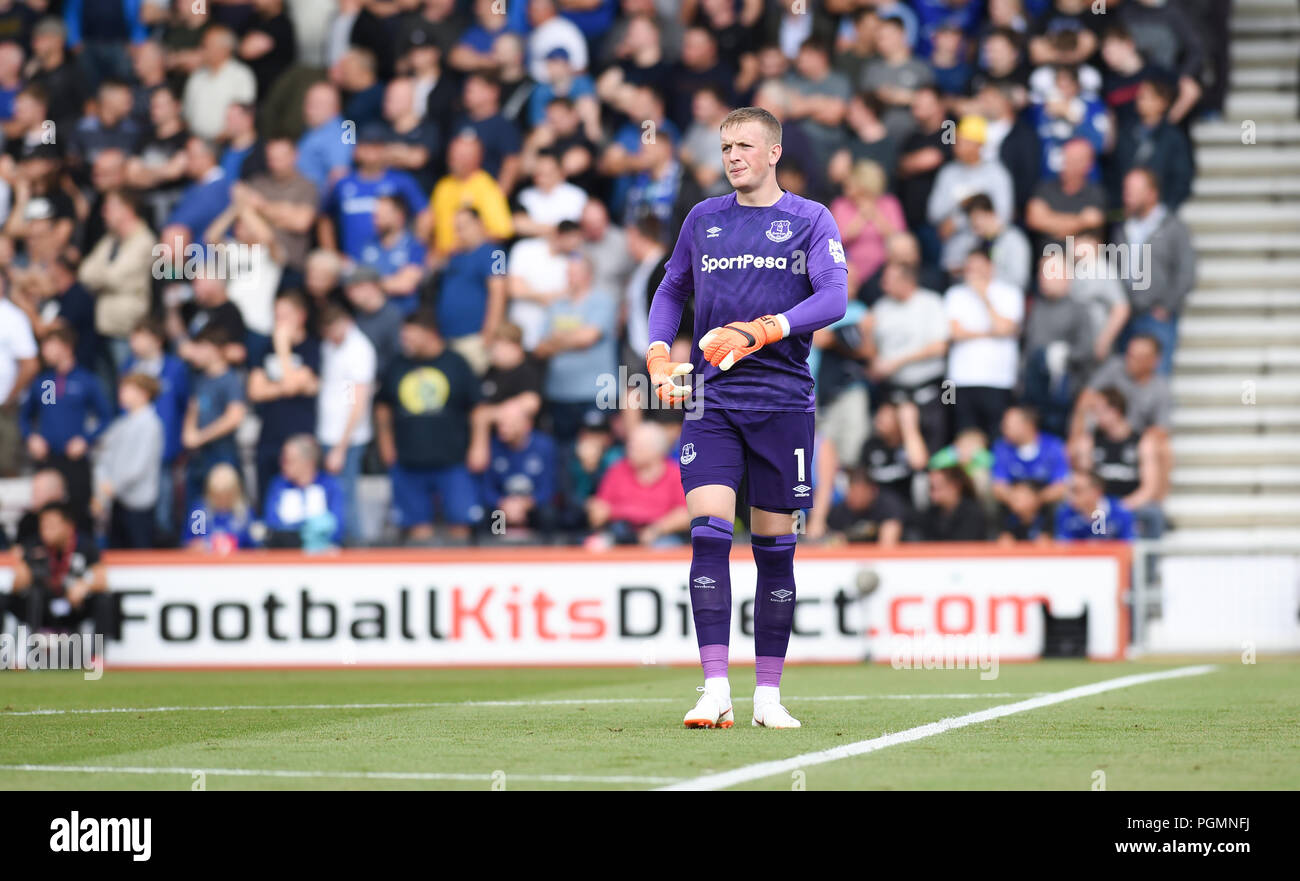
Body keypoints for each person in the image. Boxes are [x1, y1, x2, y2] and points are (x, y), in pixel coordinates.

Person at [645, 106, 848, 730]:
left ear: (774, 153)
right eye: (725, 146)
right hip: (712, 402)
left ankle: (767, 696)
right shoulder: (702, 219)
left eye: (745, 146)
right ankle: (714, 689)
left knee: (774, 551)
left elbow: (835, 297)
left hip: (783, 403)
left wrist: (767, 329)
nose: (732, 156)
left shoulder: (811, 220)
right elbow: (671, 287)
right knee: (707, 534)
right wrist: (658, 353)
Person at [375, 310, 485, 544]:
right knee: (416, 531)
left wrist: (479, 444)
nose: (405, 342)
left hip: (453, 460)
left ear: (430, 334)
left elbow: (477, 407)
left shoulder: (456, 363)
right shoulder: (397, 363)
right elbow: (382, 406)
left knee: (461, 524)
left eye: (411, 336)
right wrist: (386, 444)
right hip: (408, 461)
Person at [20, 326, 114, 524]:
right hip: (48, 458)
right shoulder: (46, 382)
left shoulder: (85, 380)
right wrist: (32, 437)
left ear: (67, 347)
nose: (45, 351)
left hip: (75, 459)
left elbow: (105, 416)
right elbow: (27, 416)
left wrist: (86, 440)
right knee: (46, 512)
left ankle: (82, 553)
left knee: (80, 512)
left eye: (50, 345)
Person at [944, 247, 1024, 442]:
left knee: (998, 435)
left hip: (999, 379)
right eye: (969, 268)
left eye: (978, 267)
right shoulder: (954, 294)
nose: (973, 273)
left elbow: (1006, 329)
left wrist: (984, 298)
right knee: (963, 434)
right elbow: (954, 333)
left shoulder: (1010, 293)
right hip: (958, 380)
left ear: (991, 268)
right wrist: (990, 333)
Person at [5, 502, 116, 640]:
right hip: (42, 605)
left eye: (51, 525)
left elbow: (102, 579)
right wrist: (22, 564)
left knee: (103, 600)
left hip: (73, 605)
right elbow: (17, 585)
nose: (45, 530)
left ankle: (97, 655)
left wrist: (84, 586)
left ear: (69, 526)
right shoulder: (34, 545)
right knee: (19, 597)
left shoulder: (85, 545)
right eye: (43, 525)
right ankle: (26, 650)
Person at [316, 304, 376, 545]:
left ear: (347, 322)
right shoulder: (330, 345)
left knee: (345, 496)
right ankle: (331, 543)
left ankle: (356, 549)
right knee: (331, 495)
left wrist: (341, 447)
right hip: (327, 433)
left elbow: (356, 404)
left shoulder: (359, 350)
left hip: (345, 439)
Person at [586, 421, 688, 548]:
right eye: (630, 445)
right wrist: (596, 510)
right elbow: (599, 510)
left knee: (666, 547)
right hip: (619, 531)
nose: (630, 449)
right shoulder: (617, 470)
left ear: (656, 450)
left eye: (637, 446)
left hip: (661, 535)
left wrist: (655, 530)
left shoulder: (675, 474)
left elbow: (685, 513)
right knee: (596, 545)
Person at [92, 372, 164, 549]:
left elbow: (137, 468)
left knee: (139, 552)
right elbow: (103, 454)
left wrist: (111, 488)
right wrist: (104, 489)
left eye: (128, 389)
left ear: (144, 394)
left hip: (138, 504)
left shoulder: (151, 425)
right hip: (117, 500)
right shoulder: (121, 424)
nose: (122, 393)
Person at [180, 324, 247, 513]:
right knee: (198, 506)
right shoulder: (199, 378)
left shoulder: (230, 379)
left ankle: (227, 541)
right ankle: (198, 539)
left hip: (222, 454)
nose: (196, 353)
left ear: (215, 349)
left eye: (200, 347)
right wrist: (189, 432)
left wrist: (200, 437)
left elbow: (235, 416)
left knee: (223, 504)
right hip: (199, 457)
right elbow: (193, 408)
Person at [262, 434, 345, 549]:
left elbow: (338, 526)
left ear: (308, 463)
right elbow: (271, 522)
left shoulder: (329, 485)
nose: (282, 465)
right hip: (285, 553)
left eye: (288, 461)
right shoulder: (278, 484)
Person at [823, 467, 905, 546]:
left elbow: (888, 546)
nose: (857, 498)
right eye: (853, 493)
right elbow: (830, 541)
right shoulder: (839, 511)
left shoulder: (888, 506)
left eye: (861, 494)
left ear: (873, 491)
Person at [1054, 468, 1135, 541]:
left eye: (1077, 491)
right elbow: (1064, 550)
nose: (1071, 496)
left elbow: (1128, 548)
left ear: (1096, 492)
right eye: (1070, 491)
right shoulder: (1065, 514)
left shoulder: (1120, 513)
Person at [917, 465, 989, 541]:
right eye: (930, 488)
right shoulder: (931, 513)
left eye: (936, 488)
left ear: (954, 487)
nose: (932, 493)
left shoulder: (973, 513)